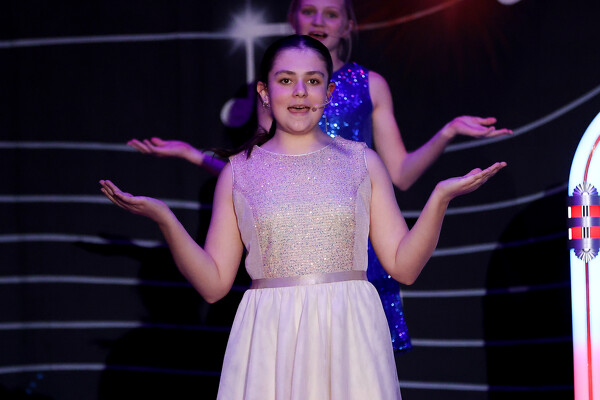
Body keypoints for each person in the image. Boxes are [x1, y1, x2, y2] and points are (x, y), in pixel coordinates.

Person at [102, 35, 505, 398]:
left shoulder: (361, 161)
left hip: (350, 332)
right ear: (264, 92)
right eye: (285, 80)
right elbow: (213, 285)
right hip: (270, 336)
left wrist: (440, 198)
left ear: (328, 92)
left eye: (313, 81)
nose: (300, 92)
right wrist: (164, 218)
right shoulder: (239, 171)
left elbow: (405, 267)